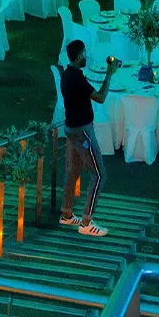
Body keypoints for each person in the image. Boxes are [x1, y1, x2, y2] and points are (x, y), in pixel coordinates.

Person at [59, 40, 116, 236]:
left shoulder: (67, 75)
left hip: (70, 129)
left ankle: (66, 214)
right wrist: (110, 73)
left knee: (73, 172)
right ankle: (86, 222)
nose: (86, 56)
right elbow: (100, 97)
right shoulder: (77, 78)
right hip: (82, 131)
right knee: (99, 174)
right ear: (78, 56)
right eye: (84, 53)